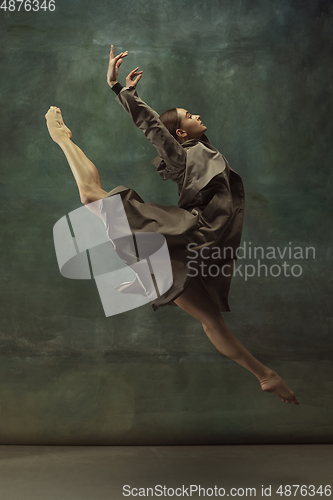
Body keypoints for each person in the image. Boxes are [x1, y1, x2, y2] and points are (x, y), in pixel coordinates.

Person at [45, 45, 300, 405]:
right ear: (180, 135)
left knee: (212, 323)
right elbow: (153, 127)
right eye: (187, 115)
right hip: (192, 231)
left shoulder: (202, 151)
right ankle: (63, 139)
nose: (195, 114)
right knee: (94, 197)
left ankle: (266, 375)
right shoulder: (184, 155)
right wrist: (121, 90)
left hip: (201, 244)